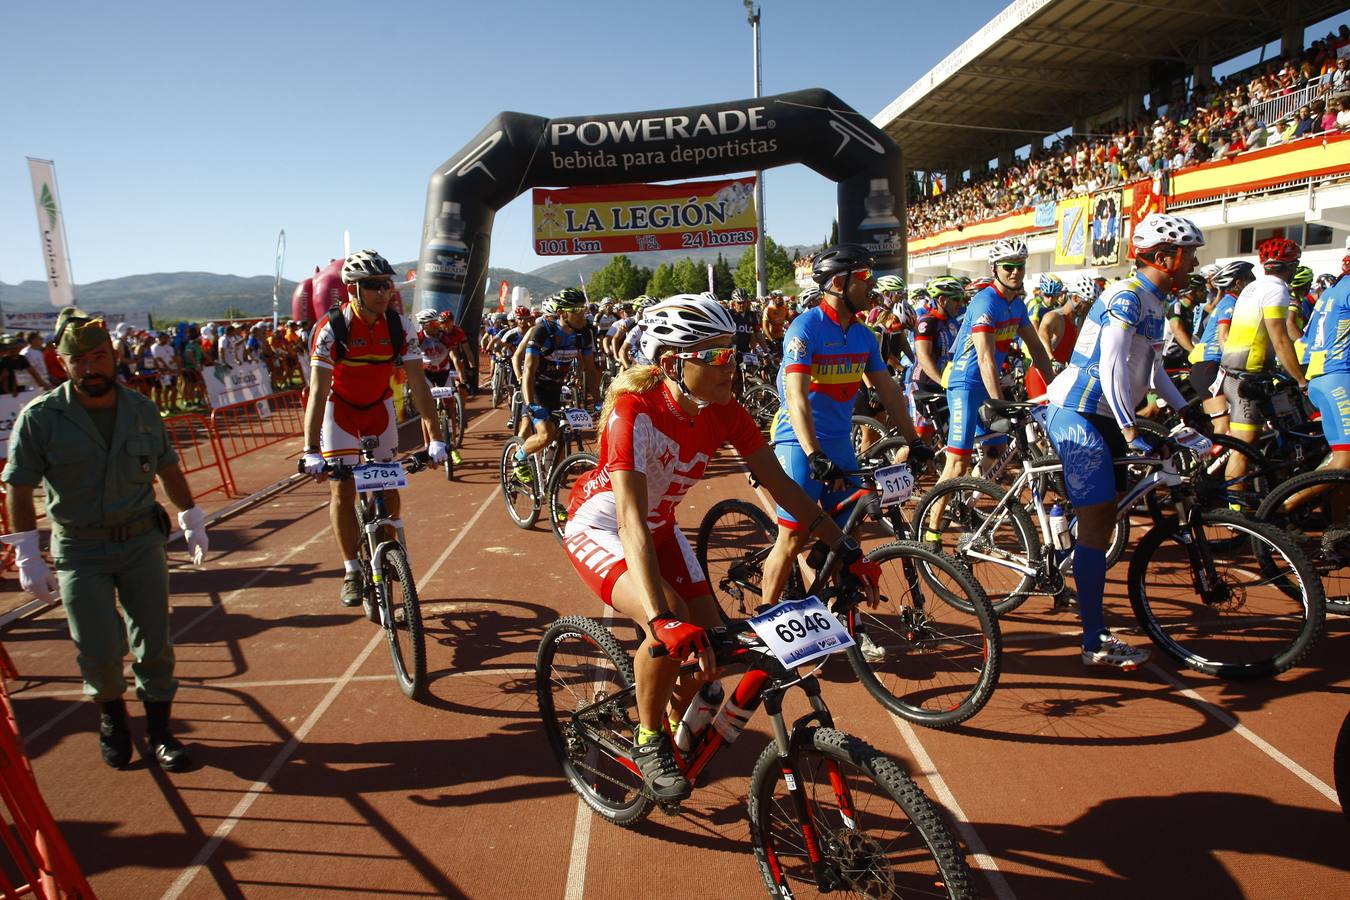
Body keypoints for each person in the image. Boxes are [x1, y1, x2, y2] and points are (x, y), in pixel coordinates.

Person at [561, 294, 879, 802]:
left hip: (659, 526)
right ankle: (648, 739)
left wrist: (844, 549)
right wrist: (661, 617)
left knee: (710, 650)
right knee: (667, 626)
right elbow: (628, 518)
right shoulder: (633, 411)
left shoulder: (726, 411)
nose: (730, 364)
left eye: (733, 350)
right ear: (671, 364)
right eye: (714, 356)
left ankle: (668, 709)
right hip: (602, 527)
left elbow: (782, 486)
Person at [1, 307, 209, 771]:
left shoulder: (140, 409)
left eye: (98, 357)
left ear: (112, 356)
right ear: (63, 362)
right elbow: (16, 484)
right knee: (96, 647)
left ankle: (159, 731)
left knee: (154, 641)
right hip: (79, 548)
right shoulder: (41, 418)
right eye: (80, 360)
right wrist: (25, 553)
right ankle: (113, 718)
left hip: (140, 542)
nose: (91, 368)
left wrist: (190, 514)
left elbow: (167, 464)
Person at [1044, 213, 1207, 668]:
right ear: (1164, 257)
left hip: (1107, 415)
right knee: (1098, 518)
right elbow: (1112, 366)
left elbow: (1152, 370)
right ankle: (1093, 640)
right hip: (1077, 411)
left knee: (1105, 516)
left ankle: (1063, 531)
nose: (1194, 263)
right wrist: (1132, 430)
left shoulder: (1156, 302)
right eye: (1189, 254)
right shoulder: (1127, 297)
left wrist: (1188, 409)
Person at [759, 244, 930, 618]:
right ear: (838, 283)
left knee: (846, 535)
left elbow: (888, 390)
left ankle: (841, 621)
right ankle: (763, 624)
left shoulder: (864, 336)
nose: (873, 286)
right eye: (864, 277)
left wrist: (914, 440)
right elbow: (796, 398)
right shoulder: (805, 330)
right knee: (791, 537)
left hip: (837, 442)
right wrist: (812, 453)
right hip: (798, 441)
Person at [299, 250, 447, 609]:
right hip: (340, 411)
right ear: (352, 289)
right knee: (342, 487)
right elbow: (318, 391)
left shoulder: (400, 326)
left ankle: (390, 545)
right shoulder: (331, 328)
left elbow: (419, 384)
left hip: (379, 409)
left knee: (389, 482)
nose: (383, 291)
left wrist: (436, 437)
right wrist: (310, 450)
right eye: (373, 285)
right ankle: (352, 569)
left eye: (386, 284)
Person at [1218, 237, 1307, 484]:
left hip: (1239, 371)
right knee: (1244, 448)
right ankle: (1233, 514)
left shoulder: (1252, 287)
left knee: (1260, 439)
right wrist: (1301, 379)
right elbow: (1280, 339)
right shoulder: (1277, 289)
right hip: (1245, 377)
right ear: (1291, 266)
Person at [512, 289, 600, 482]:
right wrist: (530, 405)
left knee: (560, 435)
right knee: (545, 434)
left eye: (583, 309)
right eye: (576, 310)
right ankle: (518, 458)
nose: (582, 314)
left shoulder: (584, 333)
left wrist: (599, 402)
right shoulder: (542, 331)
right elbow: (528, 370)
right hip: (535, 386)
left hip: (556, 388)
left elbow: (591, 371)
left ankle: (551, 486)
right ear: (561, 313)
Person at [1189, 261, 1253, 436]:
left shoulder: (1233, 302)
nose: (1254, 281)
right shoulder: (1229, 302)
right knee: (1223, 429)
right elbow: (1223, 336)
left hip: (1214, 366)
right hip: (1209, 366)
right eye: (1250, 278)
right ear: (1238, 283)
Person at [150, 331, 180, 412]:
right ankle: (166, 406)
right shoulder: (154, 347)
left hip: (172, 370)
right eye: (163, 338)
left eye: (166, 338)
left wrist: (175, 366)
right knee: (167, 389)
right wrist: (167, 368)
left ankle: (173, 405)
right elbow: (158, 359)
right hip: (163, 371)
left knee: (174, 389)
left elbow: (173, 358)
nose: (165, 339)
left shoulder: (169, 347)